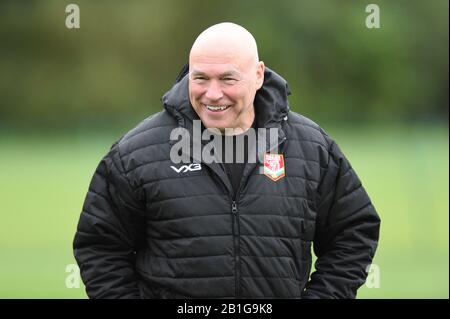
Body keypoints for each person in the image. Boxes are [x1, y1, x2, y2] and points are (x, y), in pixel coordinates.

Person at [73, 22, 380, 299]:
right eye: (201, 78)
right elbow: (100, 248)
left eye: (227, 79)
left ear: (258, 75)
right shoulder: (137, 152)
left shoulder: (311, 147)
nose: (213, 93)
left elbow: (353, 232)